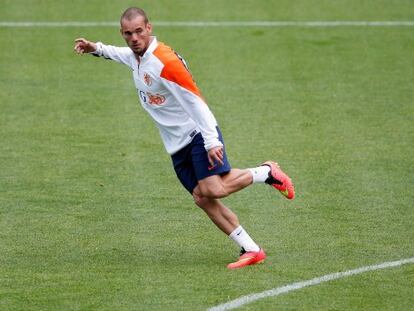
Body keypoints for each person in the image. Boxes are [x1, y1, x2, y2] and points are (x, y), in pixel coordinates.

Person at [74, 7, 295, 269]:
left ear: (149, 28)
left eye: (138, 32)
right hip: (176, 144)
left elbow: (196, 102)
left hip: (197, 135)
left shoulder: (165, 63)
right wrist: (94, 48)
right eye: (127, 33)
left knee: (213, 189)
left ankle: (267, 172)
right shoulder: (137, 56)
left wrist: (212, 141)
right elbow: (121, 55)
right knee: (203, 198)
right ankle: (251, 249)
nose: (133, 38)